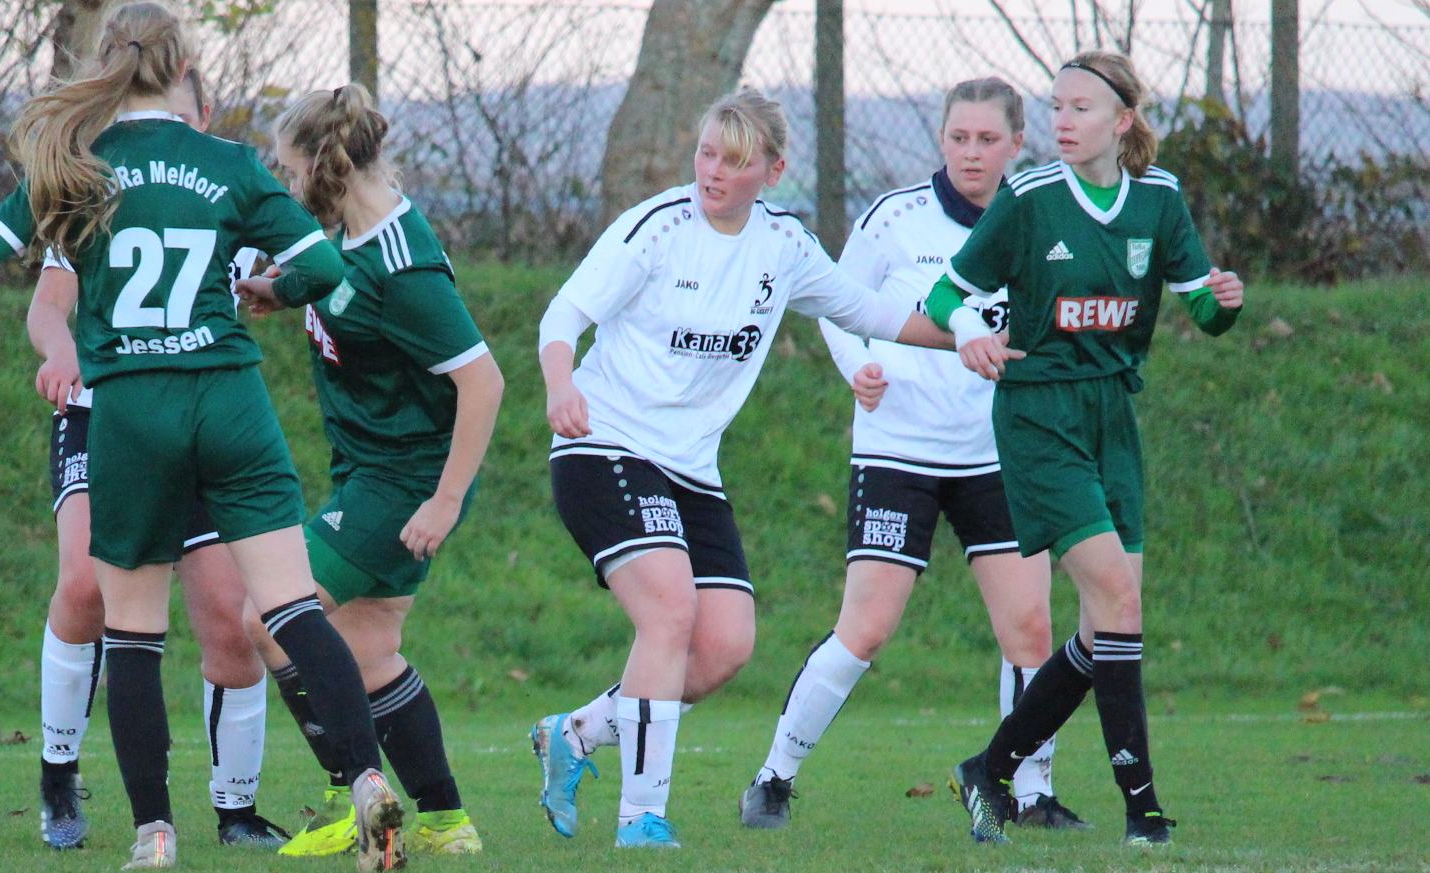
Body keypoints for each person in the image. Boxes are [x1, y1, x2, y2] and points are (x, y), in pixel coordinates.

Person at [0, 4, 405, 868]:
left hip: (134, 411)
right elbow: (327, 266)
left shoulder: (73, 163)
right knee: (292, 606)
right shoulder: (226, 164)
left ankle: (154, 833)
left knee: (134, 628)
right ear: (183, 65)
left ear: (109, 65)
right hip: (230, 401)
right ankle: (365, 779)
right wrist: (269, 291)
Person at [527, 88, 956, 849]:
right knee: (667, 612)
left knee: (723, 646)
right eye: (705, 154)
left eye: (733, 160)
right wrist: (561, 385)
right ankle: (641, 819)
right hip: (606, 444)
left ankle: (577, 731)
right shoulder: (657, 228)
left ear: (772, 168)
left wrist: (962, 339)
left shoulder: (782, 245)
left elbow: (868, 313)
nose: (713, 172)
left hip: (690, 468)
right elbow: (564, 315)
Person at [737, 77, 1088, 831]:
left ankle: (1026, 792)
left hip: (998, 454)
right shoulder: (893, 218)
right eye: (957, 137)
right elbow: (831, 298)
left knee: (1027, 628)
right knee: (865, 628)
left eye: (987, 139)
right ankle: (773, 776)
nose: (970, 151)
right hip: (898, 452)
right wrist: (855, 367)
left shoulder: (1038, 221)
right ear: (940, 139)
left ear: (1016, 145)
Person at [936, 51, 1244, 848]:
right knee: (1118, 598)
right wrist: (971, 335)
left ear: (1123, 121)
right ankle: (1142, 809)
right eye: (1055, 108)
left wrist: (1224, 303)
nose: (1062, 122)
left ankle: (989, 767)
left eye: (1078, 109)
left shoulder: (1158, 199)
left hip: (1113, 418)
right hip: (1039, 415)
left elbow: (1202, 313)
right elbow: (945, 295)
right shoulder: (1032, 198)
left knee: (1109, 621)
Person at [23, 66, 290, 852]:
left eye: (178, 114)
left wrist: (280, 286)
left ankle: (236, 808)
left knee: (232, 622)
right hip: (105, 415)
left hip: (199, 425)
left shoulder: (225, 195)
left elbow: (281, 274)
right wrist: (61, 349)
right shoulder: (98, 187)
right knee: (83, 586)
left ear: (202, 117)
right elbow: (49, 303)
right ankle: (58, 774)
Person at [233, 83, 502, 859]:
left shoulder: (405, 263)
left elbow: (483, 382)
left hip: (402, 482)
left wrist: (445, 501)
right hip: (370, 471)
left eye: (289, 173)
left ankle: (352, 793)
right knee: (370, 651)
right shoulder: (348, 239)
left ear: (325, 166)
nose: (284, 189)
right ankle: (448, 820)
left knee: (270, 618)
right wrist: (280, 291)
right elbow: (340, 288)